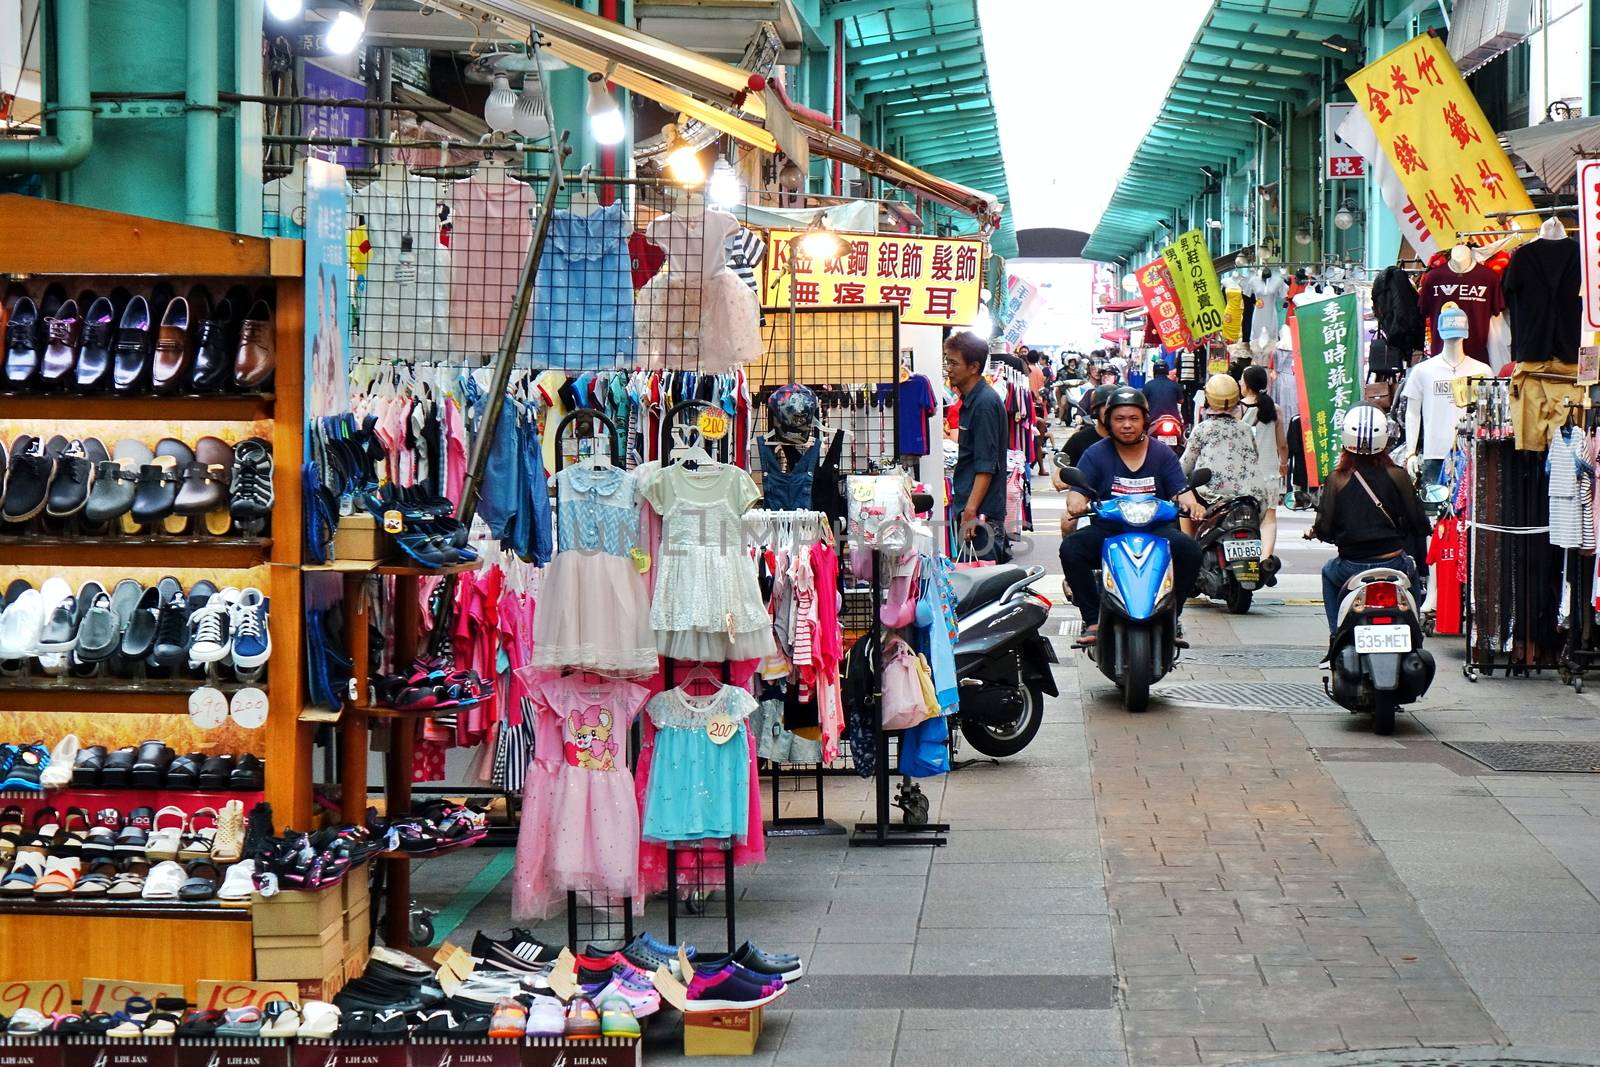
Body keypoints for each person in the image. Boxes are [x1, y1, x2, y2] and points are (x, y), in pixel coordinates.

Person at [1060, 387, 1204, 646]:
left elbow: (1182, 490)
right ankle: (1092, 619)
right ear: (1107, 421)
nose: (1127, 425)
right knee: (1071, 549)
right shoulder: (1095, 453)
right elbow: (1077, 492)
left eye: (1134, 419)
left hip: (1156, 530)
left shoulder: (1162, 453)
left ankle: (1173, 615)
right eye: (1119, 419)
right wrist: (1077, 503)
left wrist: (1193, 506)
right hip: (1109, 530)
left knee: (1190, 551)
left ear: (1145, 421)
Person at [1305, 405, 1429, 647]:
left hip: (1351, 567)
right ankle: (1415, 634)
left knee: (1328, 572)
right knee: (1412, 570)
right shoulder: (1398, 475)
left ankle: (1336, 636)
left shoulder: (1337, 479)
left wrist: (1319, 533)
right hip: (1394, 563)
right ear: (1384, 439)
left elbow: (1326, 528)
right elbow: (1419, 523)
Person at [945, 331, 1010, 561]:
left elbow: (986, 465)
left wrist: (971, 510)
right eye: (947, 362)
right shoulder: (972, 401)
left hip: (983, 514)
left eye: (953, 363)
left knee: (982, 584)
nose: (948, 368)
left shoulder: (984, 404)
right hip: (975, 508)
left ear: (973, 367)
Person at [1178, 374, 1260, 535]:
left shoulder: (1203, 428)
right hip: (1246, 496)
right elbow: (1254, 458)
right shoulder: (1245, 429)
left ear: (1208, 398)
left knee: (1185, 504)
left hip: (1210, 497)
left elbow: (1185, 466)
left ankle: (1190, 547)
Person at [1240, 364, 1286, 571]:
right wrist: (1284, 463)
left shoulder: (1236, 408)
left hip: (1242, 475)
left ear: (1247, 384)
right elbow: (1282, 444)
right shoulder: (1274, 409)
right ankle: (1265, 558)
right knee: (1269, 519)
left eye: (1242, 380)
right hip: (1269, 473)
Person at [1141, 360, 1184, 424]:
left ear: (1154, 371)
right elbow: (1181, 401)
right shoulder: (1175, 385)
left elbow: (1142, 402)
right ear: (1167, 371)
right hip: (1173, 420)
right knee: (1180, 431)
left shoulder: (1148, 385)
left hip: (1153, 420)